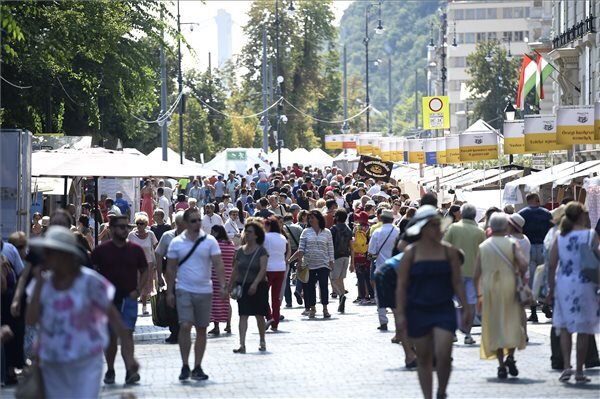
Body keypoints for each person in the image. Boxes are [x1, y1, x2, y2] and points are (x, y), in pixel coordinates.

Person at [25, 226, 138, 398]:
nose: (45, 258)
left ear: (65, 255)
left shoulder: (90, 282)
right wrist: (39, 285)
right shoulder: (43, 284)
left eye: (50, 253)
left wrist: (130, 358)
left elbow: (114, 318)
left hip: (86, 358)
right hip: (52, 361)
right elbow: (31, 320)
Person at [395, 205, 469, 399]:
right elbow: (401, 286)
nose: (438, 229)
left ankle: (442, 391)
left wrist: (468, 307)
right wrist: (401, 314)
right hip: (418, 309)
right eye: (433, 226)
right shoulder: (411, 253)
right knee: (424, 358)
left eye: (439, 225)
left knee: (444, 356)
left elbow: (457, 282)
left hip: (443, 308)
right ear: (423, 229)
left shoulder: (450, 252)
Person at [166, 208, 227, 381]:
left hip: (204, 290)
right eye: (193, 221)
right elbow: (170, 269)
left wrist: (223, 285)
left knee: (202, 328)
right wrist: (169, 291)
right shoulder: (176, 242)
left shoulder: (209, 241)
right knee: (185, 325)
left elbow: (218, 264)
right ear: (185, 223)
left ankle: (197, 366)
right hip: (183, 289)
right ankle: (185, 365)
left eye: (199, 220)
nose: (197, 223)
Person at [546, 202, 600, 383]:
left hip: (564, 284)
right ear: (582, 216)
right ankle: (579, 370)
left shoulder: (559, 236)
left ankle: (567, 366)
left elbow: (552, 265)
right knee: (584, 329)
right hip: (585, 284)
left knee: (565, 328)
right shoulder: (590, 235)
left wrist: (550, 289)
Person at [91, 215, 148, 385]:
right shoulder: (101, 250)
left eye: (127, 227)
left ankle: (130, 370)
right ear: (111, 229)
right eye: (121, 227)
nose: (125, 230)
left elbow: (145, 269)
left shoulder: (135, 250)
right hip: (108, 301)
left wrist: (139, 290)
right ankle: (110, 369)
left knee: (127, 334)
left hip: (129, 298)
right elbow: (91, 272)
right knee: (110, 336)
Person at [473, 213, 528, 379]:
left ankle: (501, 364)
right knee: (511, 321)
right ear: (506, 227)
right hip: (509, 285)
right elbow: (524, 264)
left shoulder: (484, 246)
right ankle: (510, 356)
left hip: (490, 289)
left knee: (494, 324)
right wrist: (519, 273)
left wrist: (478, 295)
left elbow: (476, 274)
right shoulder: (512, 243)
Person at [443, 203, 486, 345]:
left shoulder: (453, 228)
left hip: (454, 272)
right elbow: (484, 253)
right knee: (471, 303)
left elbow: (444, 247)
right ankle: (467, 333)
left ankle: (453, 332)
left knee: (453, 302)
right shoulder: (479, 231)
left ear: (461, 213)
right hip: (474, 273)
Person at [230, 220, 269, 353]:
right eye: (245, 232)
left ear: (257, 235)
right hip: (243, 285)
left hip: (259, 286)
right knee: (243, 315)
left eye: (250, 232)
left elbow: (263, 269)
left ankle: (262, 340)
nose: (247, 234)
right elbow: (235, 270)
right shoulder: (240, 251)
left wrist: (255, 284)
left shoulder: (261, 251)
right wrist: (230, 285)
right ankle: (242, 344)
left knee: (259, 315)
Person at [518, 193, 553, 322]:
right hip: (544, 246)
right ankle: (546, 305)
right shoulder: (547, 213)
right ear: (537, 200)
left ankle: (533, 312)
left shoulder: (522, 213)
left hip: (529, 248)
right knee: (544, 278)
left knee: (532, 280)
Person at [295, 210, 335, 318]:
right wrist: (299, 262)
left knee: (323, 285)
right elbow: (301, 248)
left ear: (318, 218)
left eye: (313, 217)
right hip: (309, 263)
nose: (311, 220)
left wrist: (332, 261)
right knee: (310, 287)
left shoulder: (327, 232)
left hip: (323, 263)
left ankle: (325, 308)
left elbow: (330, 247)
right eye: (309, 218)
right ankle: (312, 308)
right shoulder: (306, 232)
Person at [154, 211, 186, 344]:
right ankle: (175, 332)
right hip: (171, 276)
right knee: (172, 304)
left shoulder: (193, 236)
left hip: (189, 277)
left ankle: (184, 331)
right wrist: (159, 275)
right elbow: (159, 254)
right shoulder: (167, 236)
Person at [368, 209, 400, 330]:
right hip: (396, 267)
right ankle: (398, 322)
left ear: (381, 219)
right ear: (392, 219)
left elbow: (371, 251)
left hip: (381, 267)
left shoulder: (377, 232)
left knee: (379, 295)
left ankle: (383, 321)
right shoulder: (398, 231)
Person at [263, 216, 291, 331]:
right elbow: (285, 251)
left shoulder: (266, 238)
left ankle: (269, 316)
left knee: (262, 296)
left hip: (268, 269)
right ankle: (275, 322)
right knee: (276, 297)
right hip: (280, 268)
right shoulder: (282, 238)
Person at [128, 213, 158, 316]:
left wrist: (158, 261)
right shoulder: (131, 235)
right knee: (134, 284)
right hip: (134, 264)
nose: (139, 225)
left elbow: (156, 247)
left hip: (147, 263)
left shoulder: (150, 234)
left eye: (141, 223)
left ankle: (144, 307)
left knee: (145, 285)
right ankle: (132, 307)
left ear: (146, 224)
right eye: (137, 223)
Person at [208, 225, 235, 336]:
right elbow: (234, 259)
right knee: (226, 301)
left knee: (215, 301)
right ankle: (228, 325)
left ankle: (216, 326)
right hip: (228, 274)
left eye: (212, 232)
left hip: (215, 274)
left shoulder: (215, 245)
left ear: (216, 233)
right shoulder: (231, 244)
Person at [330, 208, 352, 313]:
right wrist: (352, 262)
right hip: (346, 256)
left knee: (333, 279)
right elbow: (351, 246)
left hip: (336, 256)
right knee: (341, 280)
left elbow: (329, 244)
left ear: (337, 217)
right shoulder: (348, 229)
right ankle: (341, 303)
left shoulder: (333, 229)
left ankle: (341, 295)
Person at [351, 211, 374, 304]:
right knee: (368, 277)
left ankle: (362, 297)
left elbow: (352, 241)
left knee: (360, 277)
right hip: (366, 256)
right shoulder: (370, 228)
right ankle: (372, 296)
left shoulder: (356, 228)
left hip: (357, 256)